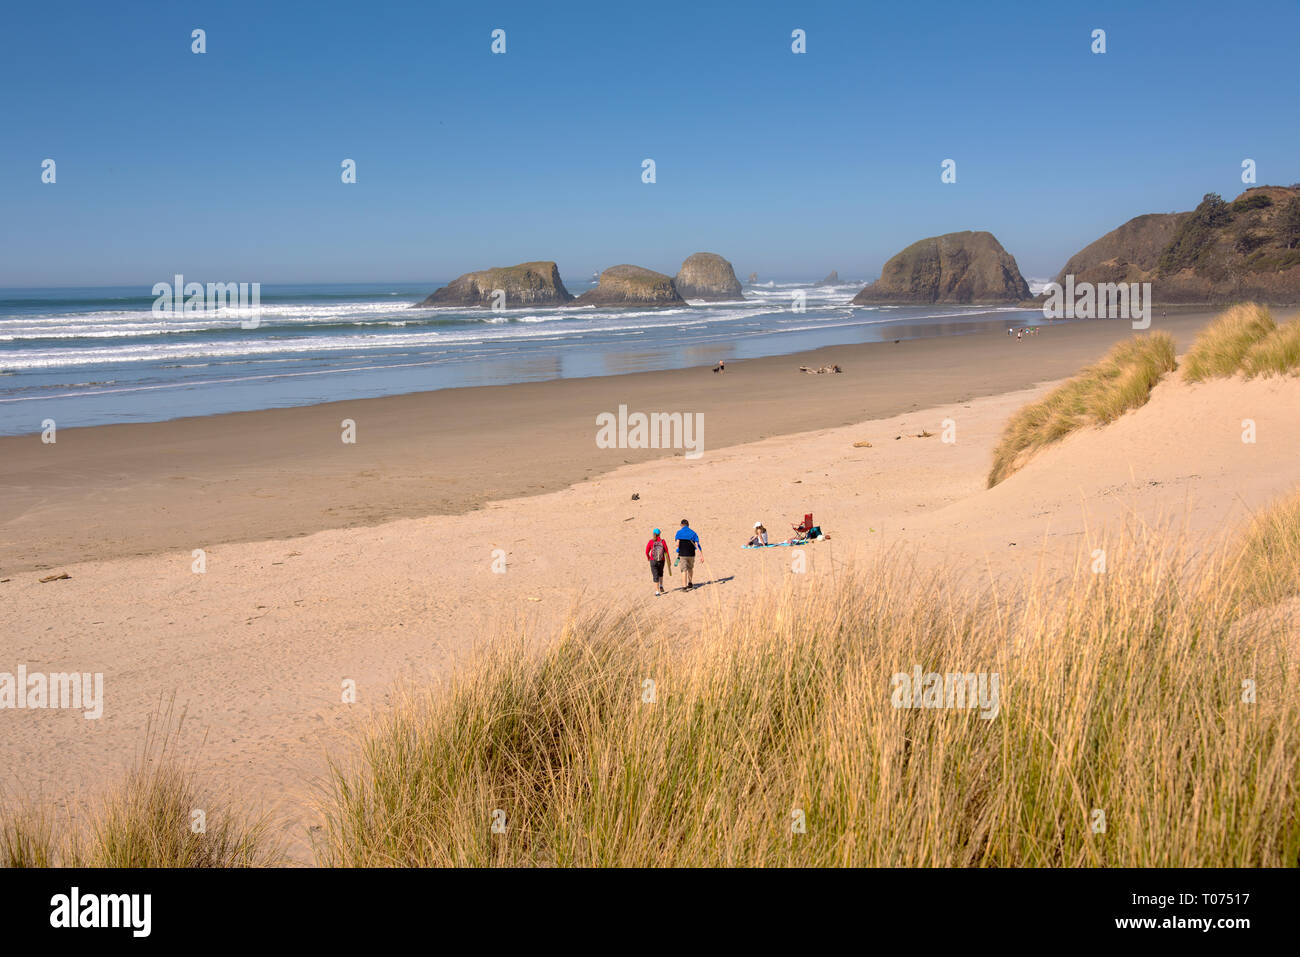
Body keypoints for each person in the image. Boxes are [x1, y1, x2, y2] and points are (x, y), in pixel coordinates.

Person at [675, 518, 702, 590]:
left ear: (681, 525)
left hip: (683, 554)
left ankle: (684, 587)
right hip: (691, 554)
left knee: (684, 570)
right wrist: (701, 555)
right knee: (690, 568)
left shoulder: (679, 532)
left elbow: (677, 544)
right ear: (688, 525)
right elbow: (697, 544)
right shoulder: (693, 533)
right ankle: (690, 583)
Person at [645, 528, 670, 596]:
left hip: (653, 560)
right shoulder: (663, 541)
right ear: (660, 534)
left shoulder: (651, 541)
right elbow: (666, 551)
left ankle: (657, 591)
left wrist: (649, 558)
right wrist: (669, 560)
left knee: (655, 575)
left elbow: (646, 552)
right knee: (661, 573)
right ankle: (661, 585)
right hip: (661, 560)